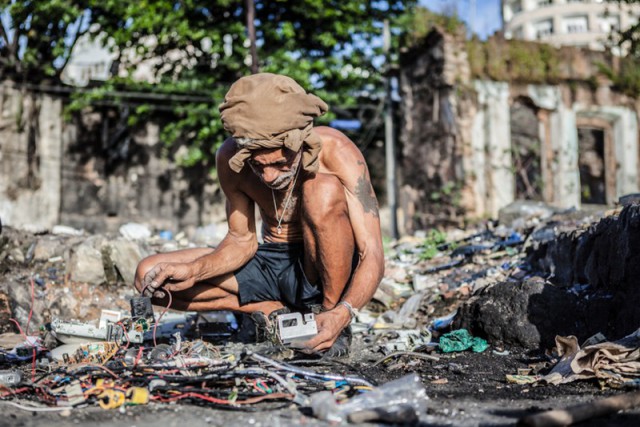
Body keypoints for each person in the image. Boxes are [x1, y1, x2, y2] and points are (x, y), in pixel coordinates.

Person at [133, 73, 384, 356]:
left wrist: (342, 313)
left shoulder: (337, 150)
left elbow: (372, 252)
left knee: (321, 189)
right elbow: (241, 241)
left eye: (279, 162)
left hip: (322, 267)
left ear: (300, 142)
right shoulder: (229, 159)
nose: (268, 176)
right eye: (257, 165)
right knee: (149, 277)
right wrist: (195, 270)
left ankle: (325, 316)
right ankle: (266, 310)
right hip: (270, 260)